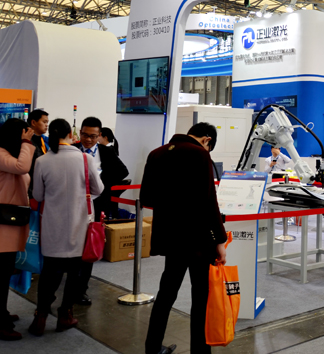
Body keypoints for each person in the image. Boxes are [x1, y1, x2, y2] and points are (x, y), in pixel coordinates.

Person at [142, 122, 227, 354]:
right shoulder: (200, 155)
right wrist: (220, 241)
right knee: (200, 298)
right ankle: (200, 351)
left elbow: (146, 197)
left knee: (166, 294)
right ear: (207, 140)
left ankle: (152, 347)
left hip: (170, 238)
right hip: (198, 239)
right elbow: (210, 202)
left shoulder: (156, 153)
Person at [28, 119, 103, 336]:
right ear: (71, 134)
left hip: (53, 225)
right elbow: (98, 189)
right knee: (75, 274)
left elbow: (38, 195)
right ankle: (65, 315)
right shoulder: (85, 159)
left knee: (49, 273)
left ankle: (41, 316)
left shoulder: (42, 161)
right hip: (80, 226)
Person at [0, 118, 34, 341]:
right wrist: (27, 143)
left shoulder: (8, 154)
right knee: (0, 269)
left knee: (3, 267)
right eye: (24, 133)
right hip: (1, 219)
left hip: (11, 218)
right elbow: (23, 168)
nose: (26, 138)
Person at [74, 116, 129, 305]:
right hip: (73, 207)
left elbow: (123, 171)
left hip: (96, 208)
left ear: (99, 136)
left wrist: (101, 183)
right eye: (85, 135)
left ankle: (81, 289)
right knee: (72, 248)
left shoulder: (106, 152)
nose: (88, 139)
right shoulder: (72, 150)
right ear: (80, 133)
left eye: (93, 136)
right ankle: (69, 286)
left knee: (89, 248)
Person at [27, 109, 49, 202]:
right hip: (30, 189)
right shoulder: (27, 142)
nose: (46, 125)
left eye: (47, 122)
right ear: (33, 122)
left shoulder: (44, 140)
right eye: (44, 122)